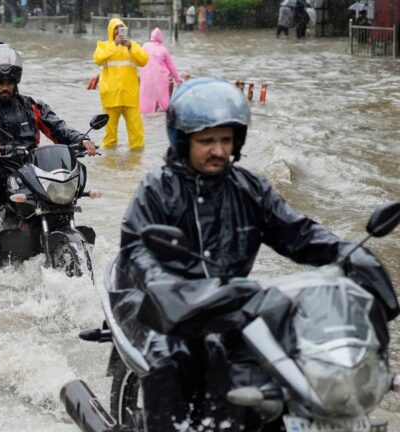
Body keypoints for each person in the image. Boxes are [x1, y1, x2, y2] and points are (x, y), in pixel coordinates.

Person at [109, 77, 399, 430]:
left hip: (228, 302)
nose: (217, 150)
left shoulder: (250, 188)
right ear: (183, 140)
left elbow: (299, 233)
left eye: (225, 140)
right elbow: (138, 250)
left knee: (288, 355)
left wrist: (349, 254)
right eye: (206, 141)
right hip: (153, 305)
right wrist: (168, 289)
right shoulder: (157, 189)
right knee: (171, 357)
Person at [0, 42, 97, 264]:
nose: (5, 87)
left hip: (29, 166)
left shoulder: (33, 105)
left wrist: (81, 140)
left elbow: (58, 128)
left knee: (59, 195)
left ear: (16, 81)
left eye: (9, 83)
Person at [93, 19, 148, 150]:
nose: (118, 31)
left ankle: (136, 162)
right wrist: (114, 45)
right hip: (110, 97)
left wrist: (130, 47)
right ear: (111, 31)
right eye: (116, 28)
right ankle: (109, 163)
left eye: (121, 28)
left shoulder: (132, 46)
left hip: (130, 96)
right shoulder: (104, 45)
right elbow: (98, 59)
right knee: (109, 137)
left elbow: (144, 60)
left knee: (137, 136)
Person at [139, 27, 181, 114]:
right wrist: (178, 80)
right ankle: (160, 110)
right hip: (160, 79)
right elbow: (171, 67)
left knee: (146, 98)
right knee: (162, 99)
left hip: (146, 79)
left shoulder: (145, 46)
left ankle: (147, 113)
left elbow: (138, 58)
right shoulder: (163, 49)